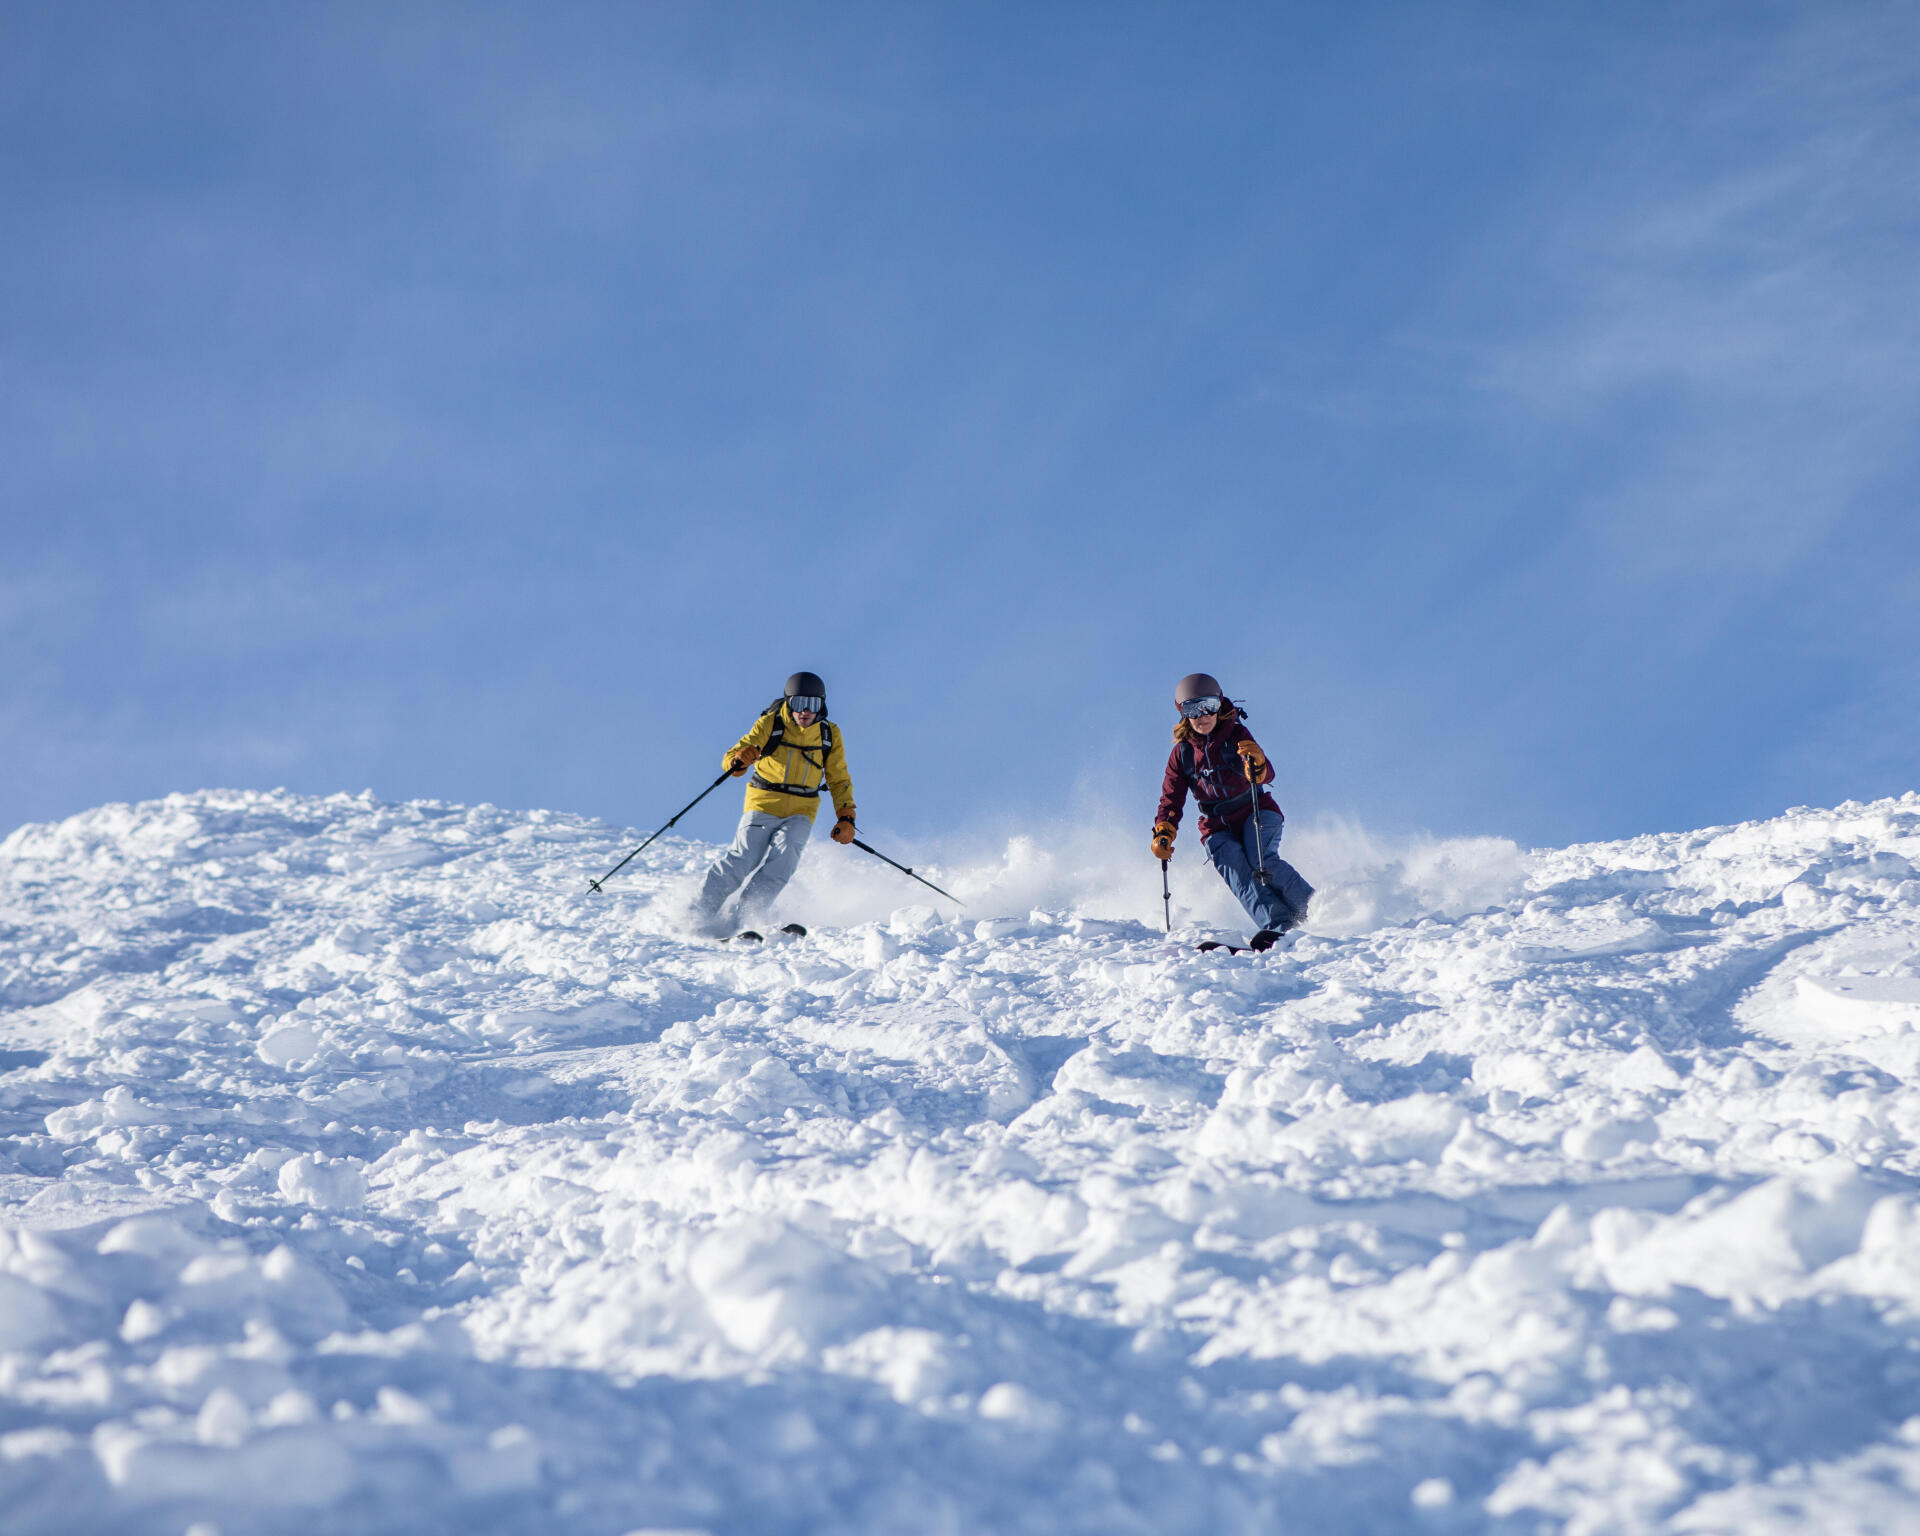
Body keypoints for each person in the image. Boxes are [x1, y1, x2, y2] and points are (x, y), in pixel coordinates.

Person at [1152, 672, 1313, 950]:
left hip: (1255, 810)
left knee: (1261, 859)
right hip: (1216, 826)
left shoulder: (1235, 735)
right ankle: (1281, 926)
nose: (1202, 716)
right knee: (1237, 872)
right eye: (1193, 709)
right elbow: (1171, 797)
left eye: (1209, 706)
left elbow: (1266, 771)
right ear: (1182, 713)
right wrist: (1164, 830)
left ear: (1220, 704)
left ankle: (1315, 911)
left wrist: (1257, 766)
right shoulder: (1182, 754)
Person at [693, 671, 856, 934]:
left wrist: (846, 816)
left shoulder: (829, 734)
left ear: (821, 706)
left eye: (813, 704)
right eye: (798, 703)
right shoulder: (771, 723)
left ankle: (745, 921)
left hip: (803, 808)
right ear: (788, 702)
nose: (805, 711)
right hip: (764, 801)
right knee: (744, 858)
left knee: (784, 861)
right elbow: (734, 758)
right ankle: (698, 915)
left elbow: (839, 777)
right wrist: (739, 760)